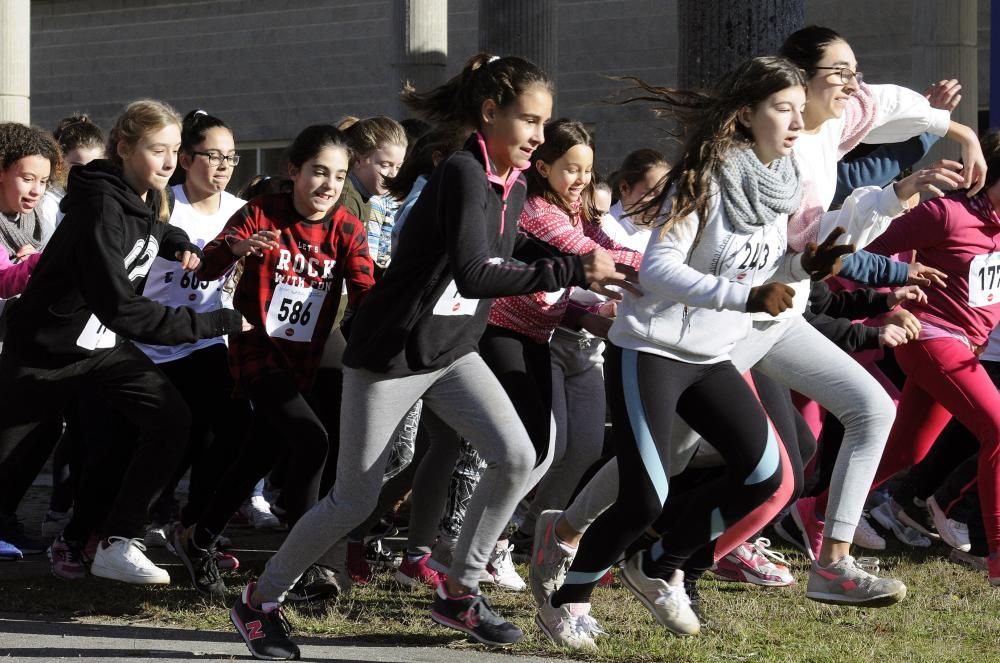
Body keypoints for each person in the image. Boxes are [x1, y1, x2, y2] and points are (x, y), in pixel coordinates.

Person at [228, 53, 633, 660]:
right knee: (352, 499)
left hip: (449, 353)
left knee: (519, 455)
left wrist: (611, 262)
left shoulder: (514, 181)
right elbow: (475, 273)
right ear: (490, 113)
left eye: (544, 123)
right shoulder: (463, 173)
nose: (539, 137)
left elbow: (511, 242)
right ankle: (257, 604)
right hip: (390, 356)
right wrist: (574, 268)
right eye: (529, 121)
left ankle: (459, 591)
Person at [536, 56, 849, 649]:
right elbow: (658, 270)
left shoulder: (777, 183)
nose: (795, 120)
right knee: (643, 495)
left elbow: (756, 263)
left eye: (797, 109)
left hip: (710, 355)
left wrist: (800, 266)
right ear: (745, 114)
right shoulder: (702, 181)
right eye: (782, 109)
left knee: (766, 476)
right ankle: (568, 599)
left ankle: (658, 562)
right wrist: (748, 294)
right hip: (649, 350)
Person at [2, 99, 242, 583]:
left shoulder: (146, 196)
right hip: (45, 353)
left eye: (175, 150)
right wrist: (215, 323)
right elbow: (123, 309)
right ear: (126, 147)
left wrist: (177, 241)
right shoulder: (99, 210)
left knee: (170, 418)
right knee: (13, 463)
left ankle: (118, 541)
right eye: (159, 150)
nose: (171, 161)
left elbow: (151, 226)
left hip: (100, 350)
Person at [171, 123, 376, 599]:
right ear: (293, 171)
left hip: (303, 358)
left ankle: (197, 537)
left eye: (338, 176)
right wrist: (238, 248)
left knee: (259, 453)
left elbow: (366, 291)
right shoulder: (263, 212)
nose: (327, 185)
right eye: (318, 172)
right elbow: (212, 262)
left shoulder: (346, 226)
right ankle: (301, 566)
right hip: (256, 348)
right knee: (310, 441)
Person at [861, 128, 1000, 586]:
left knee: (908, 450)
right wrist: (889, 306)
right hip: (931, 337)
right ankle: (997, 553)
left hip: (967, 347)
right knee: (998, 429)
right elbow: (863, 252)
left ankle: (812, 508)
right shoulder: (947, 213)